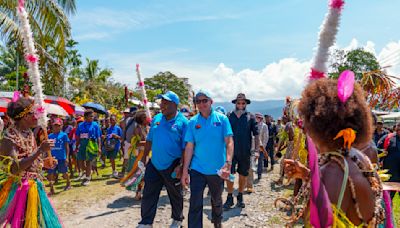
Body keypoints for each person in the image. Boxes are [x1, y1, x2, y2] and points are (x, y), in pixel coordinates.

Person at [283, 77, 386, 226]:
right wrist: (307, 175)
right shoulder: (356, 156)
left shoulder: (332, 172)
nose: (304, 130)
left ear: (317, 127)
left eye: (305, 124)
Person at [0, 97, 63, 227]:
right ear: (24, 116)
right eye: (33, 113)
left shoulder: (28, 133)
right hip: (20, 190)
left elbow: (32, 161)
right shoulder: (8, 137)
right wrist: (40, 150)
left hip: (34, 187)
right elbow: (14, 168)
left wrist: (44, 163)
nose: (37, 116)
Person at [182, 90, 234, 228]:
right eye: (198, 101)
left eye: (204, 100)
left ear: (211, 102)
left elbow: (229, 141)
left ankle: (217, 221)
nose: (201, 104)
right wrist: (185, 171)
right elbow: (189, 147)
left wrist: (228, 163)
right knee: (195, 202)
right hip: (197, 168)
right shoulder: (192, 122)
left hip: (217, 169)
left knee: (216, 200)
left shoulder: (222, 119)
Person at [138, 91, 188, 228]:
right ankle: (146, 222)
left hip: (173, 164)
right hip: (154, 163)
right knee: (149, 192)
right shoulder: (157, 118)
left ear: (174, 105)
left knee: (175, 194)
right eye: (162, 103)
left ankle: (177, 219)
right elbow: (149, 140)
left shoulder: (183, 122)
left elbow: (185, 147)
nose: (162, 106)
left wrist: (182, 166)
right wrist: (144, 158)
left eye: (166, 103)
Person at [224, 93, 259, 209]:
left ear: (246, 104)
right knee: (230, 174)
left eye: (243, 103)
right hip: (231, 151)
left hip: (245, 151)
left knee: (243, 175)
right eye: (238, 102)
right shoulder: (229, 116)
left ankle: (240, 195)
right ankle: (229, 197)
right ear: (235, 103)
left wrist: (257, 150)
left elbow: (256, 135)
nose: (240, 104)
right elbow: (224, 133)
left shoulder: (251, 117)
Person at [122, 110, 149, 200]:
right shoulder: (137, 129)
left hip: (148, 154)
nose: (147, 119)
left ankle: (142, 191)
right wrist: (147, 143)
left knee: (145, 175)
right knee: (140, 174)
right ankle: (138, 192)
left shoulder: (148, 128)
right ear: (140, 119)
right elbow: (136, 144)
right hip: (140, 155)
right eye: (144, 117)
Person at [75, 109, 102, 186]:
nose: (92, 117)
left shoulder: (95, 125)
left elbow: (99, 137)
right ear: (86, 117)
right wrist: (76, 146)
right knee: (80, 160)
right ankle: (85, 172)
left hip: (91, 144)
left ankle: (87, 177)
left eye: (93, 116)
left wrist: (99, 147)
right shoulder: (80, 125)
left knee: (88, 161)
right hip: (82, 144)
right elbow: (78, 137)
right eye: (91, 116)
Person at [48, 118, 71, 194]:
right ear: (52, 126)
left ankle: (68, 183)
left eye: (58, 125)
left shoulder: (64, 135)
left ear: (61, 126)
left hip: (61, 157)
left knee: (64, 172)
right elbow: (48, 147)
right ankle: (51, 188)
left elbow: (67, 146)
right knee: (50, 173)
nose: (56, 127)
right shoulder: (50, 136)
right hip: (53, 158)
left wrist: (67, 157)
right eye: (55, 125)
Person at [382, 122, 400, 198]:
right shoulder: (387, 138)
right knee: (387, 200)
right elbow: (378, 152)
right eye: (399, 126)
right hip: (390, 176)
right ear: (395, 127)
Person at [276, 115, 294, 184]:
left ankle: (281, 179)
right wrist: (282, 148)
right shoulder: (293, 124)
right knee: (290, 163)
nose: (282, 120)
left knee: (284, 162)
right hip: (293, 146)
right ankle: (289, 179)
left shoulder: (288, 125)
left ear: (287, 118)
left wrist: (278, 149)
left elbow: (283, 139)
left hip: (291, 146)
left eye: (283, 118)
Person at [121, 106, 138, 175]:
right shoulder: (128, 120)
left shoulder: (138, 121)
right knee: (126, 157)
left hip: (135, 143)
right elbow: (124, 130)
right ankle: (123, 171)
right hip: (128, 142)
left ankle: (134, 171)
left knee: (135, 157)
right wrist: (123, 140)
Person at [255, 113, 269, 180]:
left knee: (260, 161)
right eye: (256, 117)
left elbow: (265, 137)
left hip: (261, 146)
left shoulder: (264, 126)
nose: (257, 118)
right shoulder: (253, 125)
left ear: (261, 118)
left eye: (258, 117)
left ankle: (259, 174)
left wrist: (263, 147)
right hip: (253, 147)